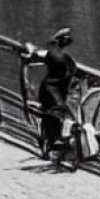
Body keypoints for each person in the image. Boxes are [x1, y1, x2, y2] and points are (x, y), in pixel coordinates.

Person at [27, 28, 77, 158]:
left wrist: (33, 50)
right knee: (61, 118)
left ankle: (51, 147)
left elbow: (45, 53)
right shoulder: (65, 59)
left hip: (49, 91)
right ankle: (57, 147)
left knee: (51, 119)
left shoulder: (53, 54)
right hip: (56, 93)